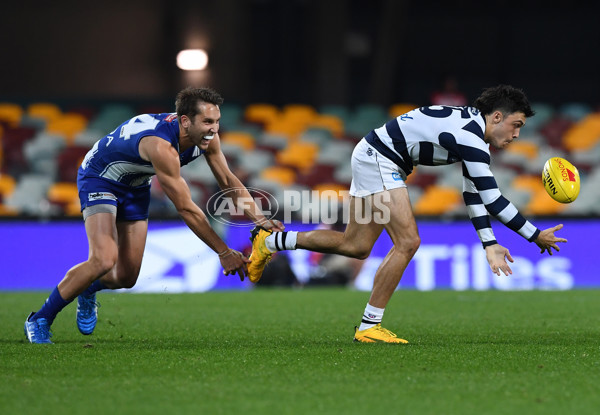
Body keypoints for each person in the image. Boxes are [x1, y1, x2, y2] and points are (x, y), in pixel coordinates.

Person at [247, 85, 567, 344]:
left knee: (355, 246)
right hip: (381, 160)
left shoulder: (471, 130)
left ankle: (271, 241)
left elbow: (474, 195)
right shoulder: (471, 138)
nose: (516, 135)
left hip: (372, 153)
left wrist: (489, 243)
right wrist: (535, 235)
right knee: (409, 242)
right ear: (497, 117)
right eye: (516, 125)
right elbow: (493, 200)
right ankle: (370, 326)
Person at [24, 87, 283, 344]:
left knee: (127, 277)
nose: (214, 129)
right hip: (100, 179)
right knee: (103, 260)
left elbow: (228, 180)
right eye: (207, 121)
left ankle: (88, 287)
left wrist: (260, 220)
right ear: (185, 121)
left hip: (136, 184)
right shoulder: (161, 147)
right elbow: (185, 208)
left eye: (216, 121)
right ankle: (40, 318)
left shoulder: (206, 137)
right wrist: (223, 252)